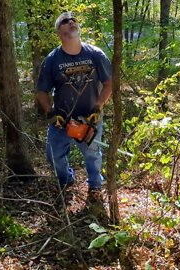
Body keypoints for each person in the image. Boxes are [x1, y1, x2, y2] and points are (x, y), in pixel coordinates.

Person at [35, 11, 112, 204]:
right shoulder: (52, 60)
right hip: (62, 120)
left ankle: (95, 186)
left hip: (90, 117)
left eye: (73, 20)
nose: (71, 22)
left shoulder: (95, 54)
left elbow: (109, 83)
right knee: (53, 156)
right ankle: (66, 180)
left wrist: (98, 107)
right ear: (59, 32)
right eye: (65, 21)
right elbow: (41, 92)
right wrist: (51, 113)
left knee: (93, 154)